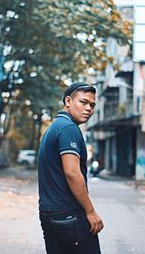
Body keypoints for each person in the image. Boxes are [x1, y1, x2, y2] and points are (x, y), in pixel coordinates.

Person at [38, 82, 104, 254]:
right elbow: (72, 172)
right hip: (69, 214)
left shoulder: (55, 127)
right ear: (68, 101)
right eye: (83, 102)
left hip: (48, 213)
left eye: (92, 104)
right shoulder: (69, 129)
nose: (89, 108)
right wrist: (90, 212)